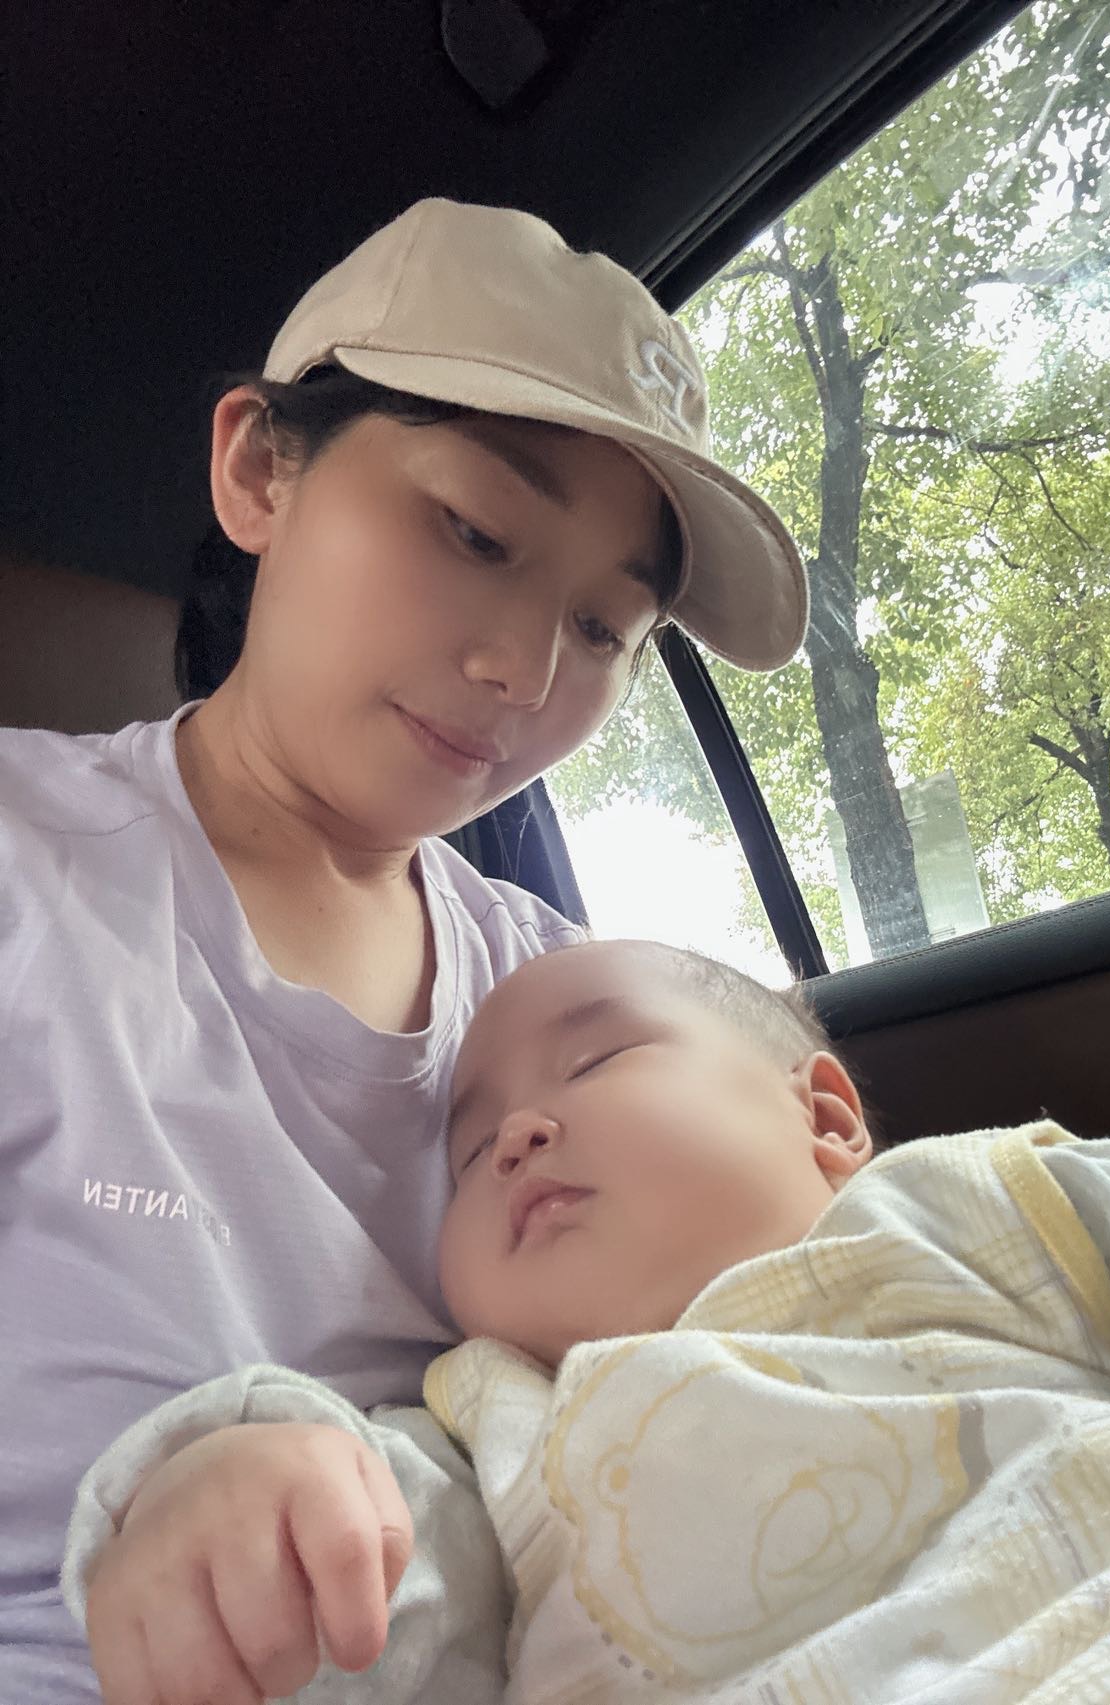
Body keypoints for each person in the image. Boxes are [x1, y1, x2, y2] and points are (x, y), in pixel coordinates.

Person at [0, 197, 809, 1701]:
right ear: (261, 468)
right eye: (476, 532)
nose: (522, 669)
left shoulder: (571, 1003)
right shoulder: (28, 868)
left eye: (602, 630)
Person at [68, 939, 1110, 1704]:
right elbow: (373, 1619)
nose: (516, 1135)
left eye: (594, 1061)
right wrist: (253, 1487)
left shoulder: (994, 1207)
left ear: (823, 1118)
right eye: (470, 1151)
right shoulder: (484, 1425)